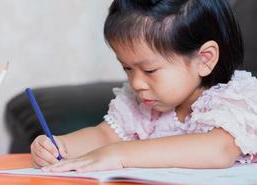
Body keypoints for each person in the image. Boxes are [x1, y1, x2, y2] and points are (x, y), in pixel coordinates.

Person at [30, 0, 257, 172]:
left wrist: (122, 154)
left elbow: (218, 149)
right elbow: (106, 136)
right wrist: (59, 146)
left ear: (204, 59)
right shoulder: (143, 105)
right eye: (127, 68)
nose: (136, 83)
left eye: (149, 70)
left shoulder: (236, 98)